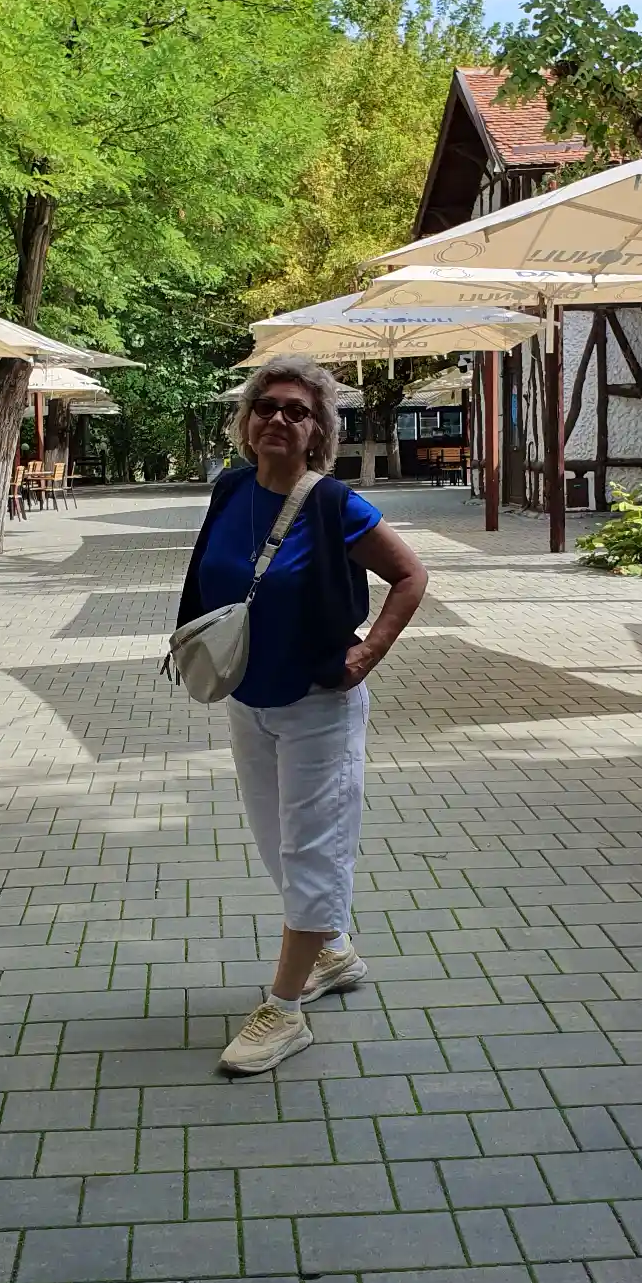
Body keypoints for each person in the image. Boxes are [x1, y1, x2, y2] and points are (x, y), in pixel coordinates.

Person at [178, 355, 428, 1074]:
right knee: (274, 840)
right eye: (267, 407)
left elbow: (410, 575)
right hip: (248, 698)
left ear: (319, 431)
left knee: (312, 849)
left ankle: (285, 1011)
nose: (279, 419)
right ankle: (333, 953)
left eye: (298, 411)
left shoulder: (333, 504)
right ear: (246, 421)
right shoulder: (230, 489)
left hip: (319, 703)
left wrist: (368, 652)